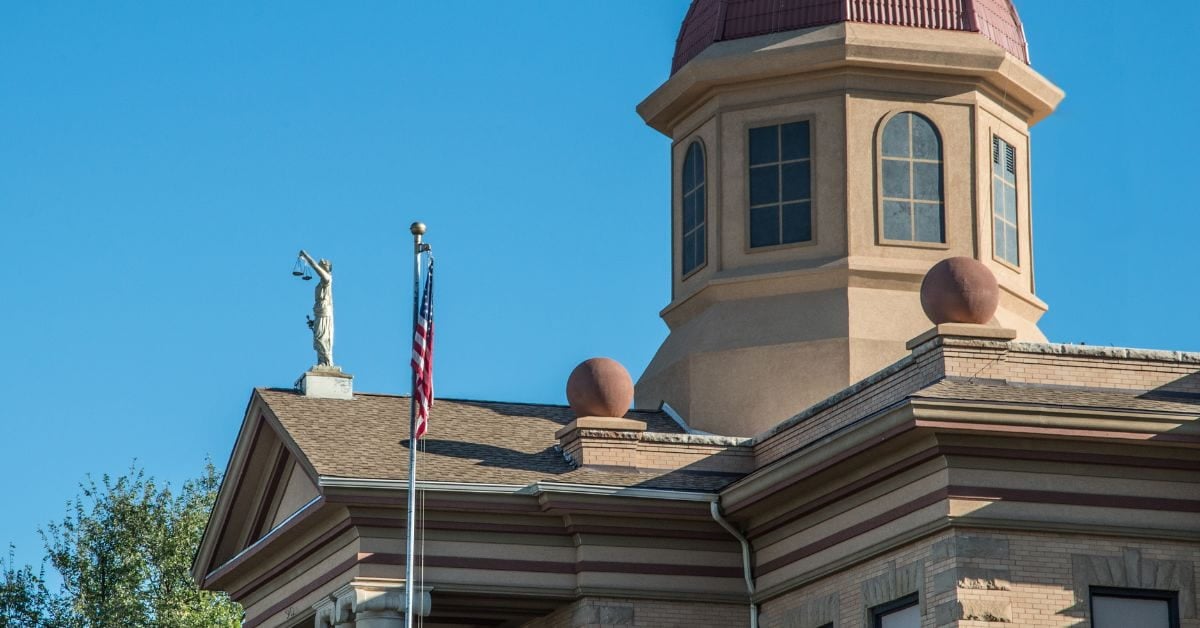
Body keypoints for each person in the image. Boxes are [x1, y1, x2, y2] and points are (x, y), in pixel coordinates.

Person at [298, 250, 334, 367]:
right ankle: (322, 362)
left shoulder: (327, 279)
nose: (320, 267)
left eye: (323, 266)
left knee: (322, 339)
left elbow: (315, 268)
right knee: (318, 340)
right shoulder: (321, 283)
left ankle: (328, 363)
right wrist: (314, 321)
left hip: (324, 314)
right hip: (319, 314)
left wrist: (306, 257)